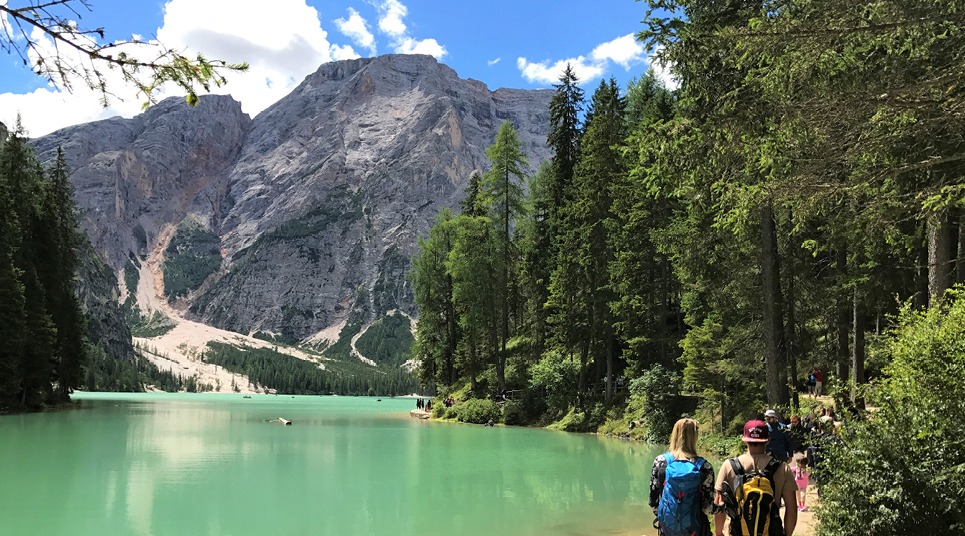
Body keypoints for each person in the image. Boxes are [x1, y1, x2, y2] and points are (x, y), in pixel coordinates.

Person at [714, 420, 797, 536]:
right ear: (767, 440)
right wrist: (786, 533)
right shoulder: (782, 468)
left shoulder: (729, 466)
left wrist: (718, 533)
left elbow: (719, 503)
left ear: (744, 440)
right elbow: (792, 508)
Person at [650, 418, 715, 536]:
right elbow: (708, 508)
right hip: (696, 530)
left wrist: (669, 520)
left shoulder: (660, 462)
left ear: (674, 435)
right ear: (694, 437)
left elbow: (653, 502)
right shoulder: (704, 466)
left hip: (668, 530)